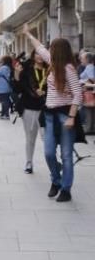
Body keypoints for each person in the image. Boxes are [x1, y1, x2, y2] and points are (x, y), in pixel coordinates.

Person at [25, 30, 83, 202]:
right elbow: (40, 48)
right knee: (49, 153)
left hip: (65, 115)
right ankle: (56, 181)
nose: (48, 51)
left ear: (58, 51)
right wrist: (28, 34)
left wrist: (72, 117)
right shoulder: (53, 63)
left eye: (52, 48)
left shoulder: (69, 69)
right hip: (50, 114)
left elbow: (78, 94)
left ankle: (66, 189)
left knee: (66, 155)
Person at [12, 51, 45, 174]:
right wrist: (16, 73)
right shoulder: (27, 70)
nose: (40, 56)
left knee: (47, 138)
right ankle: (29, 162)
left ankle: (53, 162)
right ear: (33, 56)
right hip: (29, 107)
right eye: (37, 54)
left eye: (42, 54)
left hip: (46, 108)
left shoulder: (49, 70)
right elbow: (17, 89)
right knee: (30, 138)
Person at [79, 50, 95, 133]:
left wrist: (85, 82)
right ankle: (91, 128)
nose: (81, 60)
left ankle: (89, 128)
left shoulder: (89, 67)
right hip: (90, 91)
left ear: (87, 60)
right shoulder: (90, 67)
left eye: (82, 58)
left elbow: (92, 78)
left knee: (88, 110)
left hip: (89, 91)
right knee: (90, 111)